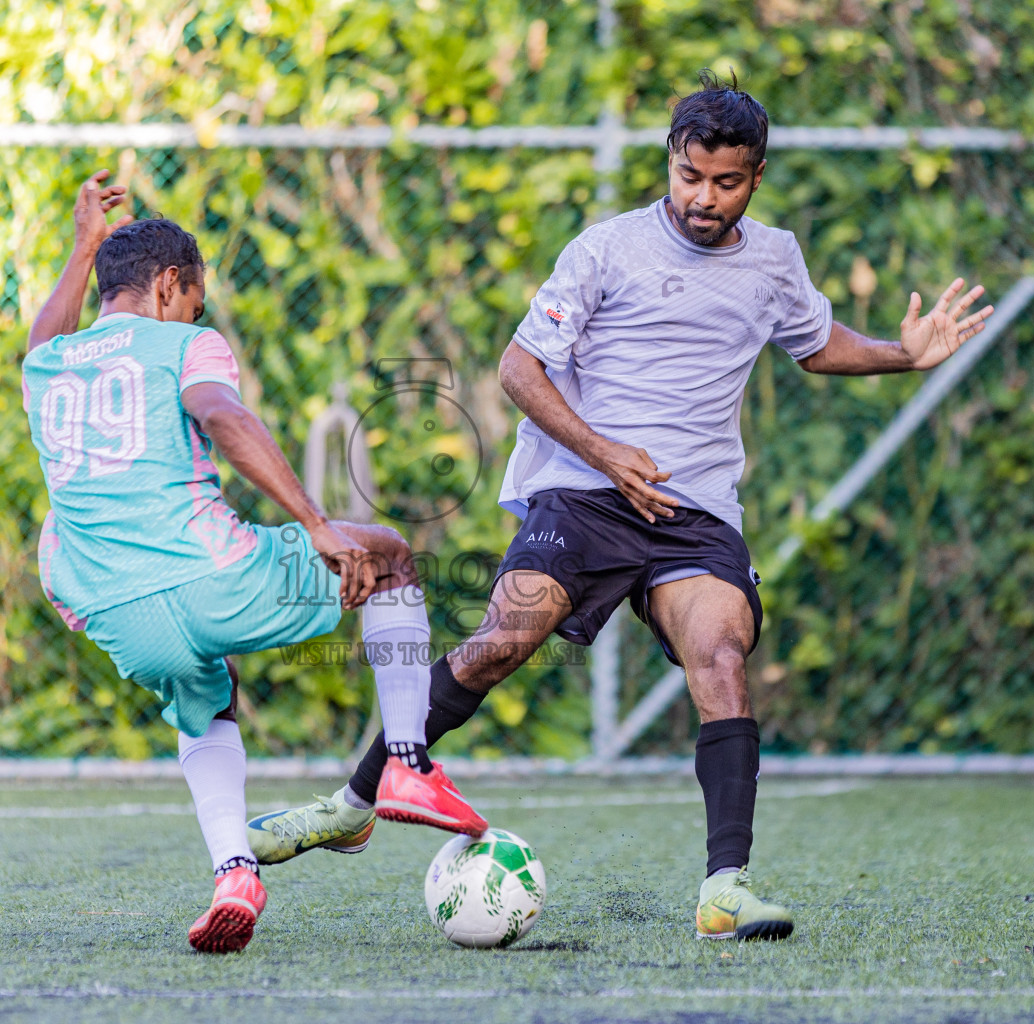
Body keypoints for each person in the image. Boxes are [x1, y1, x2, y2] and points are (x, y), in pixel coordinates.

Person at [248, 72, 995, 942]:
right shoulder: (606, 248)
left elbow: (816, 343)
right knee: (502, 640)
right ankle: (354, 804)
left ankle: (726, 888)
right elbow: (518, 370)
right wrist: (604, 452)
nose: (704, 198)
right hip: (582, 491)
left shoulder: (775, 257)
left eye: (726, 182)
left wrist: (903, 355)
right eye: (689, 176)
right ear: (669, 162)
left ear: (755, 176)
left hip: (695, 511)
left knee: (720, 656)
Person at [22, 172, 487, 954]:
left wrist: (83, 247)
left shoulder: (48, 366)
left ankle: (234, 870)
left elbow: (43, 337)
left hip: (113, 610)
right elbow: (223, 414)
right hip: (212, 578)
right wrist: (314, 524)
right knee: (392, 557)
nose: (196, 315)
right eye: (193, 300)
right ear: (172, 285)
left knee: (209, 699)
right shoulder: (187, 343)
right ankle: (406, 762)